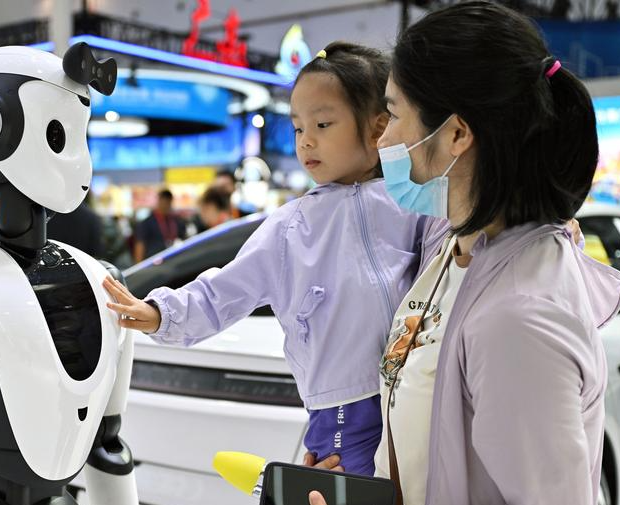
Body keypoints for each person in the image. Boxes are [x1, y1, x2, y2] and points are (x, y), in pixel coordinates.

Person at [307, 3, 620, 505]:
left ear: (456, 133)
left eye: (394, 114)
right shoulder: (459, 247)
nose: (383, 138)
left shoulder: (517, 319)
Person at [102, 42, 447, 477]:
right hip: (344, 407)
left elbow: (447, 270)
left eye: (322, 124)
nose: (306, 141)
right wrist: (160, 314)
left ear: (380, 127)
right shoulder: (289, 227)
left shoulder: (412, 202)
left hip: (418, 389)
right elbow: (222, 292)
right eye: (298, 128)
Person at [133, 189, 187, 262]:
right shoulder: (146, 223)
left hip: (173, 260)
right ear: (159, 201)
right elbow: (140, 246)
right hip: (153, 261)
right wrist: (139, 265)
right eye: (163, 201)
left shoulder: (176, 221)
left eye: (168, 202)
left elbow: (183, 239)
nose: (165, 205)